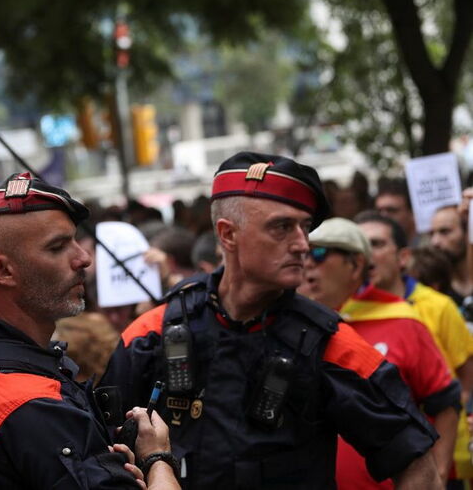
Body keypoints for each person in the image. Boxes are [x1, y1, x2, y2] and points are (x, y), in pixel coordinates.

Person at [102, 152, 439, 489]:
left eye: (305, 227)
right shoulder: (152, 332)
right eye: (282, 227)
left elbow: (417, 462)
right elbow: (98, 452)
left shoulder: (330, 343)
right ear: (228, 234)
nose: (302, 244)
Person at [0, 172, 179, 490]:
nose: (83, 258)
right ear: (2, 270)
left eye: (74, 241)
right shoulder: (27, 402)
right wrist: (157, 459)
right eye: (57, 247)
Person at [302, 217, 460, 487]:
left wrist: (439, 475)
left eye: (319, 254)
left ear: (355, 265)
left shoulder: (403, 322)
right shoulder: (293, 326)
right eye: (303, 254)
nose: (307, 264)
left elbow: (445, 403)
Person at [355, 210, 473, 484]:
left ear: (403, 257)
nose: (368, 255)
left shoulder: (438, 306)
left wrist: (442, 465)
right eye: (361, 245)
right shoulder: (340, 313)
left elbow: (467, 378)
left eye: (377, 244)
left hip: (441, 459)